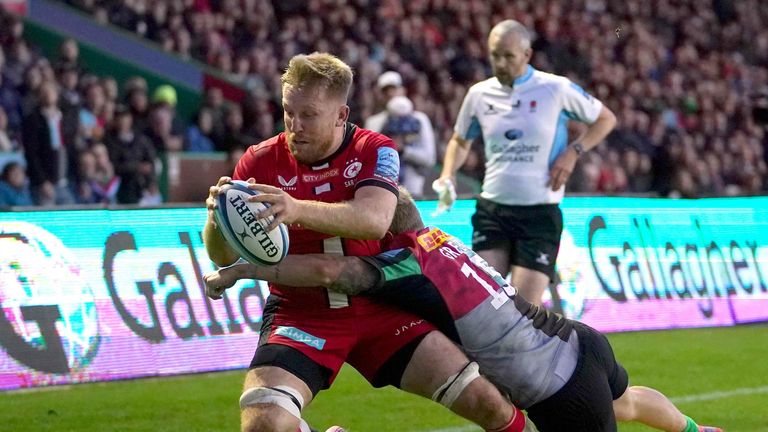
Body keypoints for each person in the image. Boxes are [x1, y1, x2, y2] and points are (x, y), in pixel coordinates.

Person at [205, 188, 722, 432]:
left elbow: (330, 274)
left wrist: (243, 271)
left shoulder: (405, 265)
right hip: (578, 339)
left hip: (557, 386)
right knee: (625, 403)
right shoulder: (438, 240)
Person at [203, 52, 530, 432]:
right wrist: (217, 218)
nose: (295, 125)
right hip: (302, 312)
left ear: (341, 115)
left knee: (487, 404)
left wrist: (295, 208)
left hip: (381, 305)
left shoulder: (374, 149)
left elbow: (373, 221)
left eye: (309, 115)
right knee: (263, 422)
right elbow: (221, 254)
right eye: (288, 112)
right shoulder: (259, 161)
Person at [434, 20, 617, 306]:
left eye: (509, 56)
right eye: (495, 55)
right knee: (483, 305)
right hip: (493, 209)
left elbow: (605, 119)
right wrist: (447, 174)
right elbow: (459, 141)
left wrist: (573, 152)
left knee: (521, 312)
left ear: (527, 55)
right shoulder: (479, 94)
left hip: (539, 213)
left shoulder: (555, 89)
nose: (501, 63)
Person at [364, 71, 436, 198]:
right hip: (383, 190)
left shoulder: (419, 119)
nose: (391, 94)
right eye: (386, 91)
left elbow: (429, 158)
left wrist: (404, 150)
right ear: (380, 95)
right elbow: (368, 160)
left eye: (394, 89)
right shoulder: (374, 123)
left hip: (413, 190)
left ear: (403, 90)